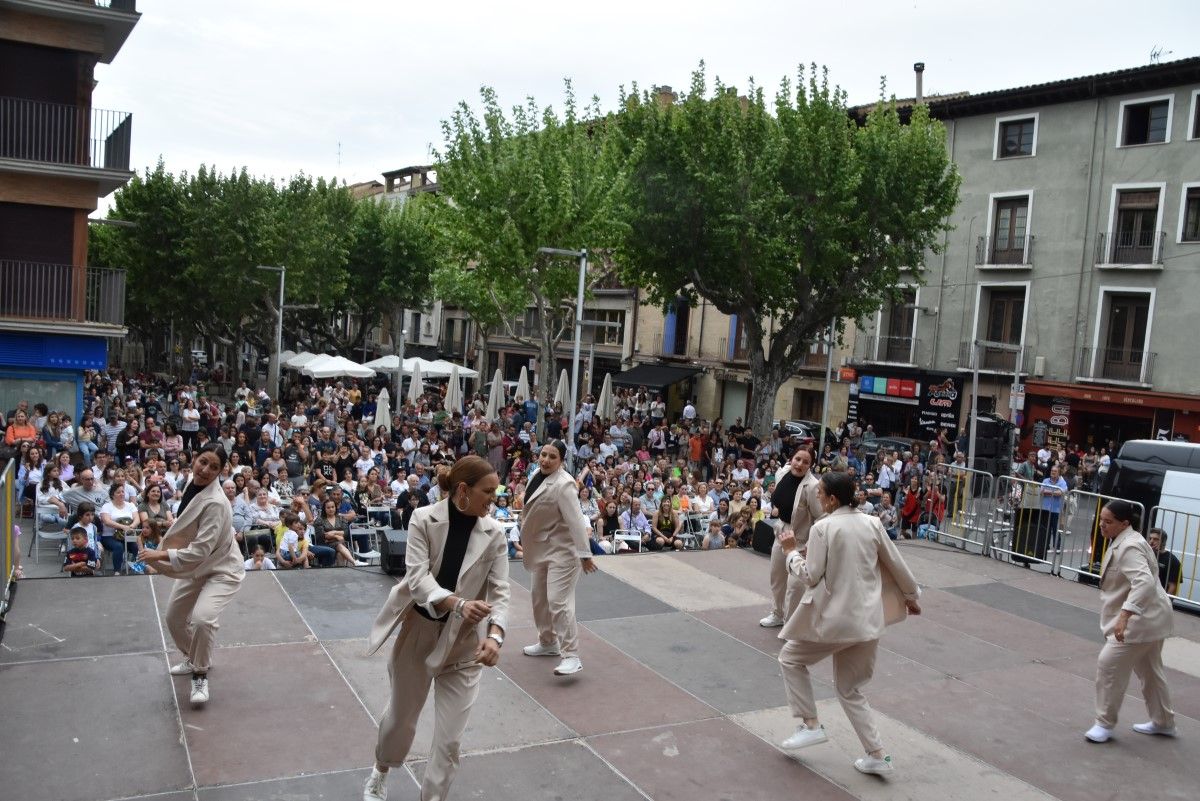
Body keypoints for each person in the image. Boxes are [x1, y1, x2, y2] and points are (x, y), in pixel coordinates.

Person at [361, 456, 509, 801]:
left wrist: (496, 635)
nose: (495, 498)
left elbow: (502, 591)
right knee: (400, 721)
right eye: (488, 491)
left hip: (465, 646)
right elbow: (417, 578)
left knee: (449, 742)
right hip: (419, 635)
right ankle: (381, 770)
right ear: (463, 491)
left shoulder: (495, 533)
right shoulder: (423, 519)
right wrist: (458, 603)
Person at [775, 470, 922, 776]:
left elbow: (810, 576)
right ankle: (877, 754)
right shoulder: (872, 522)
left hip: (837, 621)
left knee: (790, 658)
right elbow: (896, 562)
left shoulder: (823, 528)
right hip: (868, 621)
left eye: (820, 494)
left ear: (831, 499)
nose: (816, 496)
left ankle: (810, 723)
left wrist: (790, 553)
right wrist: (910, 595)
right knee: (850, 689)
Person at [136, 446, 244, 707]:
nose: (205, 470)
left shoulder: (217, 503)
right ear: (194, 459)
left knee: (203, 619)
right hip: (197, 565)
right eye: (203, 462)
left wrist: (158, 555)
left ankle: (200, 674)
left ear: (221, 471)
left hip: (222, 568)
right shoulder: (191, 484)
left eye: (214, 467)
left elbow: (199, 550)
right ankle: (193, 656)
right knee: (174, 617)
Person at [1084, 500, 1176, 743]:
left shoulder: (1130, 546)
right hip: (1152, 617)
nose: (1102, 525)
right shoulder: (1126, 539)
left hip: (1142, 620)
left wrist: (1125, 615)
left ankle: (1104, 723)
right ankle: (1163, 721)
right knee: (1150, 671)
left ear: (1125, 523)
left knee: (1108, 665)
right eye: (1101, 519)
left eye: (1108, 521)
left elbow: (1143, 582)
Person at [519, 440, 596, 677]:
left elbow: (576, 521)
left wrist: (585, 555)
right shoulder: (535, 474)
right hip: (542, 548)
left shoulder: (565, 485)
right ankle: (548, 642)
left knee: (558, 601)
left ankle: (571, 655)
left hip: (564, 552)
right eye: (543, 454)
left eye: (552, 457)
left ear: (561, 460)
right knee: (539, 598)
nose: (545, 460)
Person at [761, 447, 824, 628]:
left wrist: (812, 544)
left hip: (802, 538)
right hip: (781, 531)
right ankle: (777, 613)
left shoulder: (813, 486)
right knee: (777, 577)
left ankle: (791, 624)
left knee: (795, 586)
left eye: (806, 462)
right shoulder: (783, 472)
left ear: (811, 465)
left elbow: (820, 517)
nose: (800, 464)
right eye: (798, 459)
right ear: (792, 459)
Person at [1147, 527, 1182, 597]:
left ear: (1163, 542)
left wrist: (1166, 603)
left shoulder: (1172, 560)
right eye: (1150, 538)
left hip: (1158, 599)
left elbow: (1173, 587)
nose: (1151, 541)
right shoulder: (1145, 554)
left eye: (1156, 539)